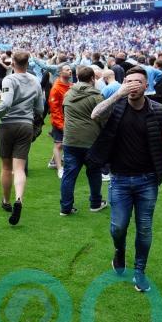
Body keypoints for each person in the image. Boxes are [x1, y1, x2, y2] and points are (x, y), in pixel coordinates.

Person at [88, 66, 162, 292]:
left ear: (146, 86)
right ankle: (120, 251)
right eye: (128, 81)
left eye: (137, 82)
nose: (132, 85)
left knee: (144, 229)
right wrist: (118, 94)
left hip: (148, 180)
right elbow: (95, 114)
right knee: (118, 227)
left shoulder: (159, 111)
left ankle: (140, 271)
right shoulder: (116, 107)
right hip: (120, 179)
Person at [0, 50, 44, 226]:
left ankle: (6, 200)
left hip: (8, 125)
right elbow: (40, 109)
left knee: (6, 167)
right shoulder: (35, 81)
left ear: (12, 63)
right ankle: (19, 199)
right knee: (19, 168)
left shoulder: (9, 79)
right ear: (27, 63)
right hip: (26, 125)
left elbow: (6, 103)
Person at [59, 66, 108, 216]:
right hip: (91, 141)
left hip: (70, 140)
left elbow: (64, 113)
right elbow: (104, 118)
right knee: (94, 172)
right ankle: (95, 203)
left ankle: (66, 207)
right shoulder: (96, 96)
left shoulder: (68, 93)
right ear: (93, 78)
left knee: (69, 174)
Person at [48, 65, 72, 179]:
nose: (70, 71)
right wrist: (61, 125)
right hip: (60, 121)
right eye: (67, 70)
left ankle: (53, 161)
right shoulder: (56, 88)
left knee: (64, 144)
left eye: (70, 69)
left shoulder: (71, 86)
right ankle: (59, 169)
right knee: (58, 144)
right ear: (60, 73)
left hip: (69, 120)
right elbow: (55, 109)